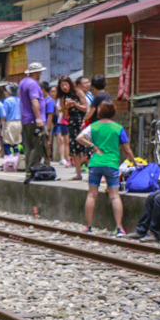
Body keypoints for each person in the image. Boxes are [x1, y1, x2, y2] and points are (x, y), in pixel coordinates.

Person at [75, 99, 135, 235]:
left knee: (92, 195)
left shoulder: (94, 126)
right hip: (112, 164)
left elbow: (79, 137)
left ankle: (88, 226)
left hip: (95, 163)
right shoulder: (118, 128)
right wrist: (134, 163)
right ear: (113, 112)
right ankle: (119, 227)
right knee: (114, 196)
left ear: (100, 112)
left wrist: (92, 146)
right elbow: (127, 150)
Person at [18, 62, 47, 183]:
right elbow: (34, 101)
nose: (40, 74)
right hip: (34, 120)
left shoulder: (23, 82)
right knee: (37, 145)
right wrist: (38, 118)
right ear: (35, 72)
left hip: (25, 119)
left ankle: (29, 170)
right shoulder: (33, 84)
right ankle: (32, 170)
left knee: (29, 146)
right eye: (39, 72)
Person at [60, 76, 91, 180]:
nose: (64, 87)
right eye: (62, 85)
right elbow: (65, 116)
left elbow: (85, 108)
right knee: (74, 150)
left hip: (81, 123)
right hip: (72, 124)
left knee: (86, 148)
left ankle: (92, 173)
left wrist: (75, 104)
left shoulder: (78, 92)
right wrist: (65, 107)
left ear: (70, 84)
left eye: (66, 84)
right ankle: (78, 174)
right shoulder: (63, 97)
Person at [52, 83, 71, 167]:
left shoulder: (67, 97)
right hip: (60, 121)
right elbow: (58, 110)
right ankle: (63, 158)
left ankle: (68, 158)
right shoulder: (58, 99)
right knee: (61, 140)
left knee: (67, 141)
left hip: (67, 120)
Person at [1, 84, 22, 157]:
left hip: (9, 123)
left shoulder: (7, 100)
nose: (5, 92)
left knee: (7, 142)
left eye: (6, 91)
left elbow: (4, 114)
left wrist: (0, 124)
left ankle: (9, 161)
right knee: (16, 142)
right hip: (19, 123)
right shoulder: (19, 100)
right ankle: (17, 160)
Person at [41, 82, 56, 166]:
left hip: (47, 125)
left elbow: (50, 115)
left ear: (43, 90)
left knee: (46, 144)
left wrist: (47, 128)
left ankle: (47, 161)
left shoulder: (50, 101)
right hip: (42, 124)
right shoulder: (43, 100)